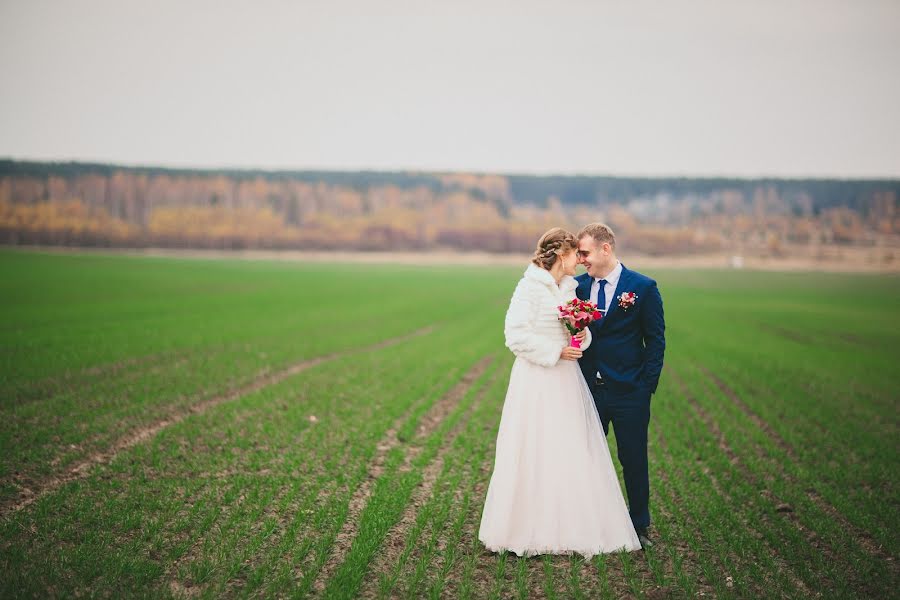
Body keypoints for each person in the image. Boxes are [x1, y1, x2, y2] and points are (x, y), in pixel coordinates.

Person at [478, 227, 641, 558]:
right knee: (535, 448)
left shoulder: (569, 289)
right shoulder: (529, 288)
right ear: (560, 255)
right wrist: (555, 352)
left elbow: (579, 333)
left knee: (570, 448)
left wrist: (580, 338)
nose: (580, 261)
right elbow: (515, 336)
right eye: (575, 255)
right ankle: (527, 529)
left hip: (567, 381)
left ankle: (571, 527)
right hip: (537, 379)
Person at [574, 223, 665, 548]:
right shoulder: (576, 287)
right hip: (587, 391)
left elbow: (655, 340)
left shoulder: (642, 287)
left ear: (605, 249)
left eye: (584, 252)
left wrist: (646, 386)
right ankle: (589, 523)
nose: (580, 259)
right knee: (586, 459)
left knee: (633, 459)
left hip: (629, 392)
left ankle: (638, 527)